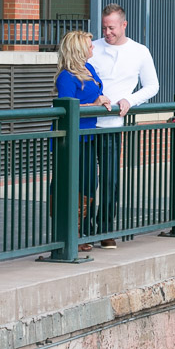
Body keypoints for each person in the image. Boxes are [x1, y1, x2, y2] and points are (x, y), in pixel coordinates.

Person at [89, 4, 159, 248]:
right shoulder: (92, 48)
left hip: (112, 125)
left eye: (112, 27)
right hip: (86, 123)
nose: (107, 32)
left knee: (110, 179)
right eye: (104, 27)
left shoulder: (140, 51)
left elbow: (152, 86)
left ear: (124, 25)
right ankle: (85, 230)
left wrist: (129, 100)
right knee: (86, 179)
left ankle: (106, 229)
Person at [54, 31, 111, 252]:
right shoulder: (66, 76)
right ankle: (70, 234)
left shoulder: (90, 69)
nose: (93, 48)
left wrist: (102, 101)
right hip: (71, 137)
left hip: (88, 135)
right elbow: (67, 108)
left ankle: (78, 231)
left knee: (89, 183)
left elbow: (97, 94)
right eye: (89, 45)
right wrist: (96, 103)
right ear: (78, 50)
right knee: (71, 184)